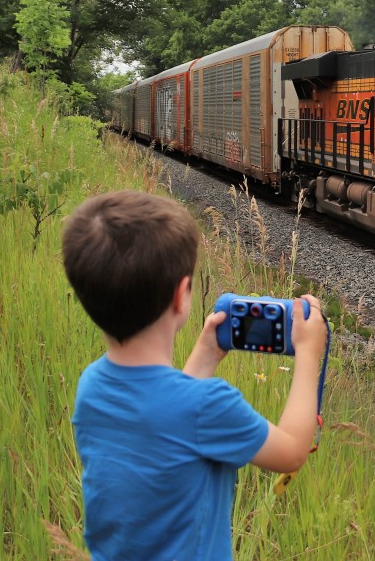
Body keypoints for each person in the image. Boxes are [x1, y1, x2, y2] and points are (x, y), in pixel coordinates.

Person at [61, 190, 328, 560]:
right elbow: (292, 452)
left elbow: (168, 421)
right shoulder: (208, 406)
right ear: (182, 295)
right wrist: (309, 354)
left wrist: (205, 355)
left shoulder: (91, 386)